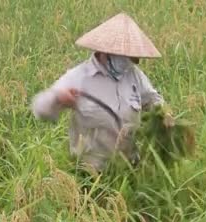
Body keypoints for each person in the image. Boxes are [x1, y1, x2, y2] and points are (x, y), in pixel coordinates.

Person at [31, 13, 165, 174]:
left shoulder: (134, 75)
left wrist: (164, 113)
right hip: (91, 174)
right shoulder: (79, 77)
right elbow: (39, 109)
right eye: (123, 56)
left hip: (129, 170)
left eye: (131, 57)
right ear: (104, 51)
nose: (128, 62)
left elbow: (152, 99)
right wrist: (58, 98)